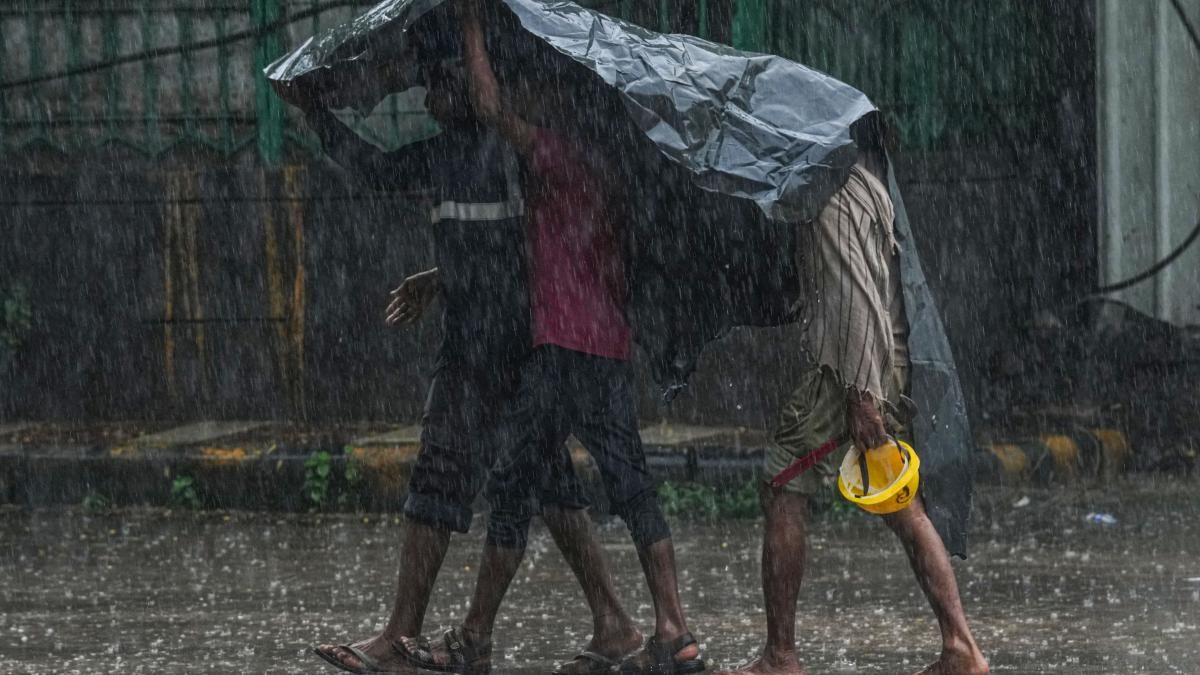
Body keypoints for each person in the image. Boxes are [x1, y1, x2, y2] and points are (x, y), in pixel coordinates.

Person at [301, 62, 642, 674]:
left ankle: (404, 635)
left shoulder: (509, 152)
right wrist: (314, 116)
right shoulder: (451, 152)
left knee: (446, 469)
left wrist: (312, 113)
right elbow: (382, 175)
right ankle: (613, 620)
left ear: (474, 91)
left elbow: (534, 247)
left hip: (501, 345)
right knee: (546, 481)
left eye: (439, 83)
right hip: (496, 341)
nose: (428, 96)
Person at [396, 3, 704, 674]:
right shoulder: (611, 164)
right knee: (632, 487)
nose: (519, 98)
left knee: (512, 485)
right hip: (606, 346)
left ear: (558, 102)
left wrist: (474, 24)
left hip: (560, 347)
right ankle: (672, 628)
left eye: (532, 90)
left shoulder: (555, 154)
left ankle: (473, 637)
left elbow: (485, 106)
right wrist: (439, 274)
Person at [716, 121, 988, 675]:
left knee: (784, 485)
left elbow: (854, 299)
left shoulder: (832, 192)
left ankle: (780, 655)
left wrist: (862, 397)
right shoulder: (867, 182)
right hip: (880, 362)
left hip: (844, 371)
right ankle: (959, 646)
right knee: (900, 504)